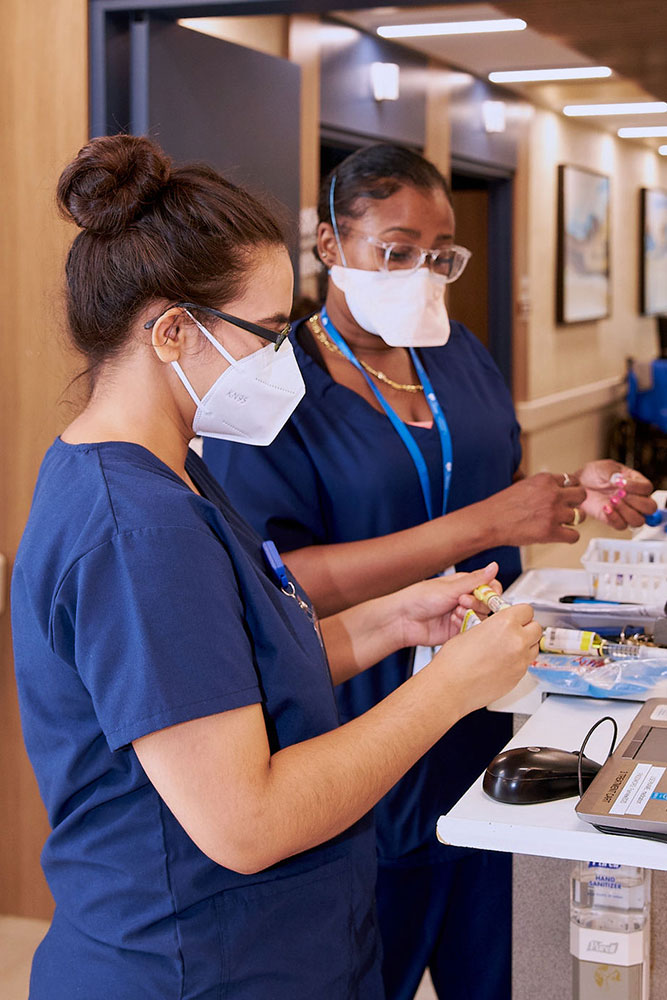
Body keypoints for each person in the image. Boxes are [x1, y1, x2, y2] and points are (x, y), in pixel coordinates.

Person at [10, 134, 543, 1000]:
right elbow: (245, 821)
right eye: (265, 336)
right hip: (194, 966)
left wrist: (392, 620)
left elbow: (228, 677)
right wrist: (450, 686)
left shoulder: (174, 474)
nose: (282, 360)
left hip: (278, 951)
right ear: (174, 333)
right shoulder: (133, 532)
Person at [202, 143, 657, 1000]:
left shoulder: (459, 357)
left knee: (502, 956)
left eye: (439, 254)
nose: (419, 272)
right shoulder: (275, 390)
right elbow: (275, 582)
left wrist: (575, 491)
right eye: (394, 249)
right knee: (377, 946)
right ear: (330, 244)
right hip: (363, 721)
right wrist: (484, 522)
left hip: (496, 710)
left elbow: (501, 489)